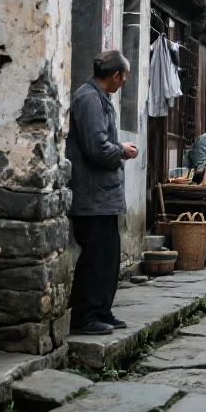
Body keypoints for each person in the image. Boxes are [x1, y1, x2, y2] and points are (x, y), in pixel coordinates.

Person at [66, 51, 139, 335]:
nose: (124, 82)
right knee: (95, 257)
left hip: (103, 195)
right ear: (117, 75)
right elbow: (96, 147)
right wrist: (122, 151)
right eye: (124, 76)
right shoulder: (88, 98)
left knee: (107, 257)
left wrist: (118, 148)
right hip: (91, 194)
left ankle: (101, 310)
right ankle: (83, 316)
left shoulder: (100, 97)